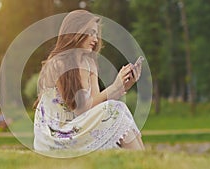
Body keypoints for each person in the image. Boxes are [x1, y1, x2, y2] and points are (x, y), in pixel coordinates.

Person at [33, 10, 144, 154]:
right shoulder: (58, 64)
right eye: (90, 33)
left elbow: (95, 106)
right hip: (57, 134)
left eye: (96, 34)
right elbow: (80, 109)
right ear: (76, 32)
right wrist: (115, 86)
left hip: (78, 125)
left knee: (118, 110)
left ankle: (145, 159)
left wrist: (123, 86)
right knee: (117, 109)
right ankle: (144, 160)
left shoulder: (89, 63)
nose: (95, 39)